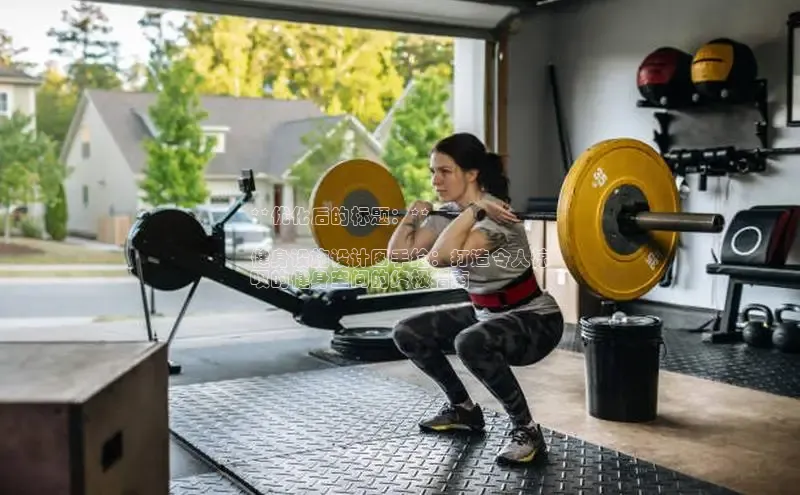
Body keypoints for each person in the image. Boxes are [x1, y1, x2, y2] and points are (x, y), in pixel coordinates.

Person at [386, 132, 563, 466]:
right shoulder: (448, 215)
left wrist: (475, 210)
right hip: (487, 314)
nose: (435, 180)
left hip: (536, 322)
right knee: (407, 332)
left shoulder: (497, 216)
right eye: (433, 172)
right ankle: (463, 410)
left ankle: (527, 430)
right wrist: (412, 216)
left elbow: (441, 257)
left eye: (445, 171)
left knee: (469, 342)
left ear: (472, 174)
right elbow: (398, 253)